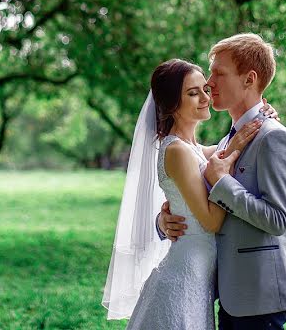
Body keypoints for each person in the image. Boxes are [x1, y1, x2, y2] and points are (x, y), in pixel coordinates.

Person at [102, 58, 268, 328]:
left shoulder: (194, 149)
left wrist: (260, 113)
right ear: (171, 105)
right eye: (193, 93)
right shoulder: (177, 151)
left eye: (204, 89)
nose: (205, 97)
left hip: (197, 281)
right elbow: (211, 222)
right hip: (182, 280)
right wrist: (221, 174)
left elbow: (226, 148)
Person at [159, 34, 286, 330]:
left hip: (259, 297)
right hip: (227, 294)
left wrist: (222, 182)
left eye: (218, 73)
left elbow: (278, 220)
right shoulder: (228, 139)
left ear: (249, 79)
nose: (209, 83)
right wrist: (164, 220)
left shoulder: (273, 137)